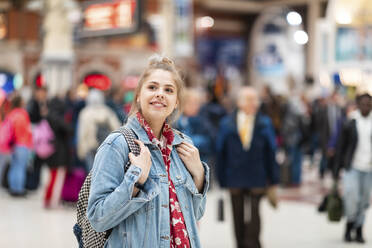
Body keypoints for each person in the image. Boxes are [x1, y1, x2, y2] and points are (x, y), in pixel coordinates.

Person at [87, 55, 209, 248]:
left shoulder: (182, 146)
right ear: (138, 95)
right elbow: (97, 218)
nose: (160, 94)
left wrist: (199, 176)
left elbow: (195, 214)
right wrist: (136, 180)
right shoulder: (118, 144)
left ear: (176, 101)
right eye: (152, 87)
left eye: (168, 90)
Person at [216, 86, 279, 248]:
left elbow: (271, 151)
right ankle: (240, 244)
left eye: (256, 99)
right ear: (239, 102)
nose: (254, 103)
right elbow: (220, 152)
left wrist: (274, 179)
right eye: (250, 99)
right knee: (237, 214)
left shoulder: (264, 123)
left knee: (255, 213)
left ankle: (253, 244)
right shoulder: (226, 123)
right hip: (234, 176)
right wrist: (221, 179)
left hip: (257, 175)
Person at [336, 93, 372, 243]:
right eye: (363, 104)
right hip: (353, 167)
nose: (366, 107)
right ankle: (349, 225)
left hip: (368, 168)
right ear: (358, 104)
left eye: (369, 104)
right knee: (352, 198)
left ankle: (358, 230)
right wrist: (336, 168)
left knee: (364, 201)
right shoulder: (350, 121)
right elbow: (341, 146)